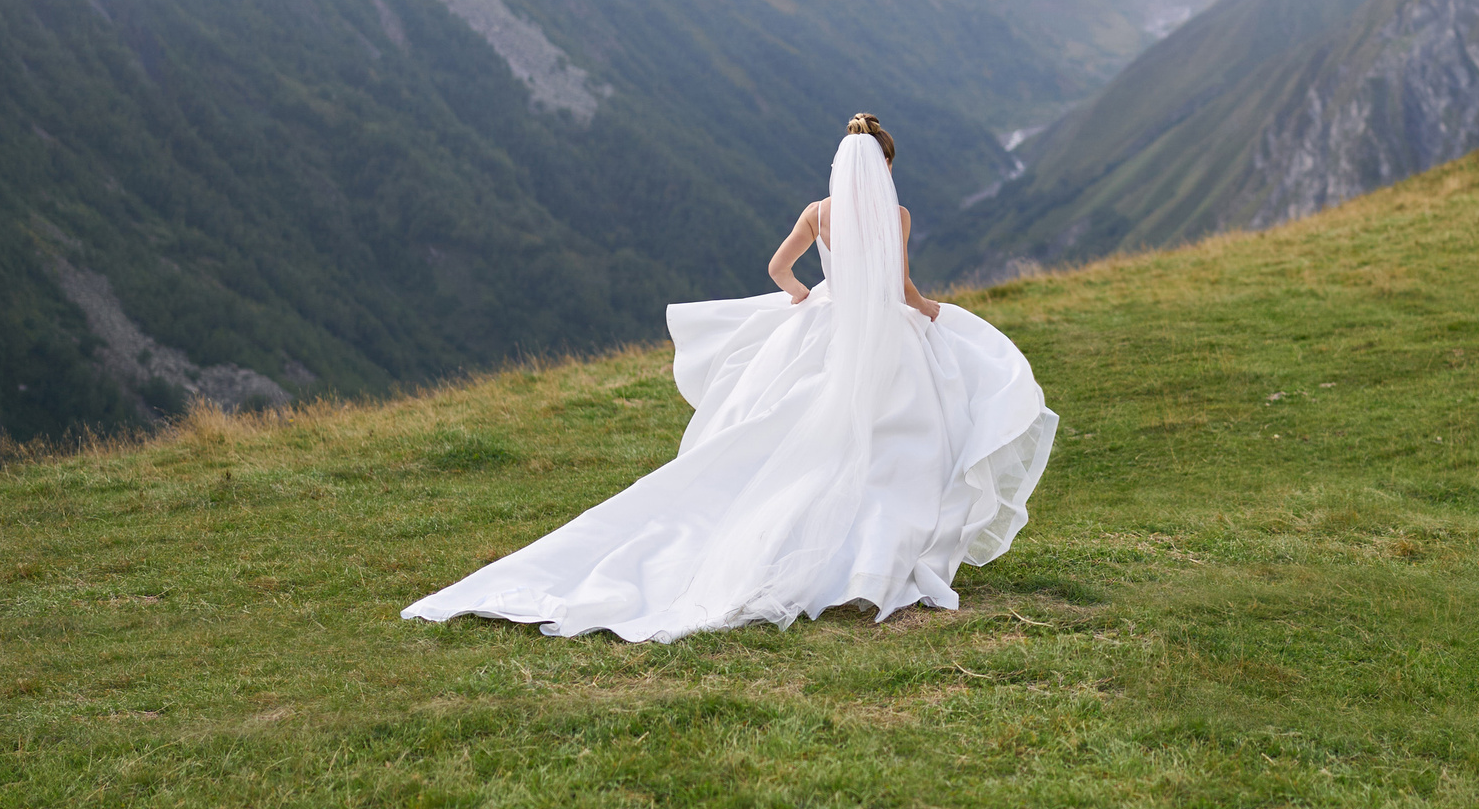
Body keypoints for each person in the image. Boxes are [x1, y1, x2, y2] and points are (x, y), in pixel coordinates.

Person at [402, 114, 1058, 642]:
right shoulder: (897, 216)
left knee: (791, 435)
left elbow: (779, 270)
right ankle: (873, 556)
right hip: (883, 332)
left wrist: (809, 299)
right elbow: (903, 288)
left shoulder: (817, 212)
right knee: (898, 441)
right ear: (884, 166)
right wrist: (947, 317)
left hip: (824, 325)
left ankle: (814, 540)